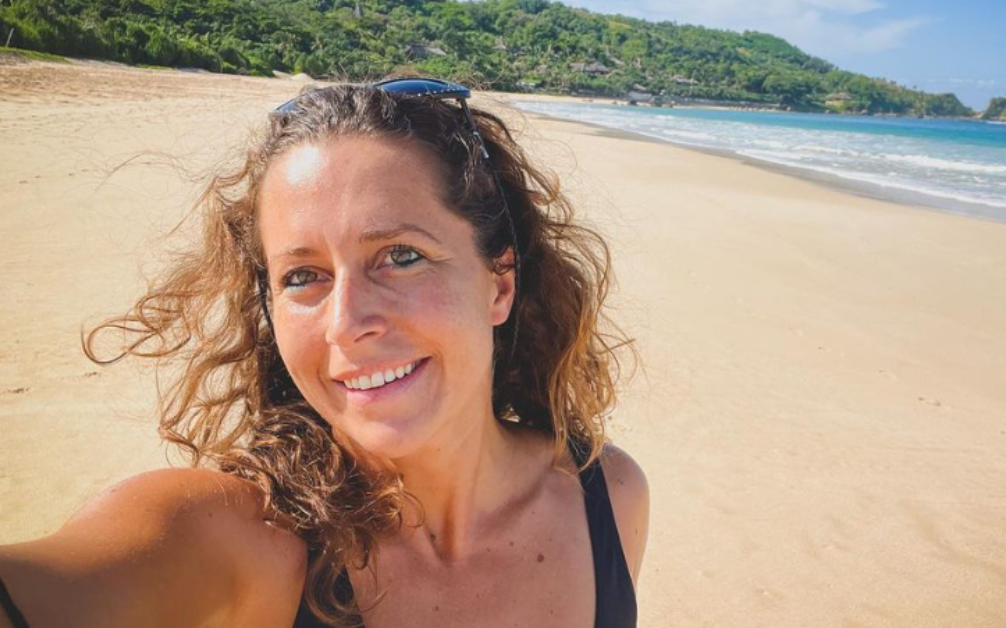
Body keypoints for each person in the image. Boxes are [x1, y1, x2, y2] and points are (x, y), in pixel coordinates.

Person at [0, 77, 648, 628]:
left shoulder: (609, 499)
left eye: (401, 256)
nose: (345, 324)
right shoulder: (246, 543)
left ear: (498, 285)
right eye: (302, 276)